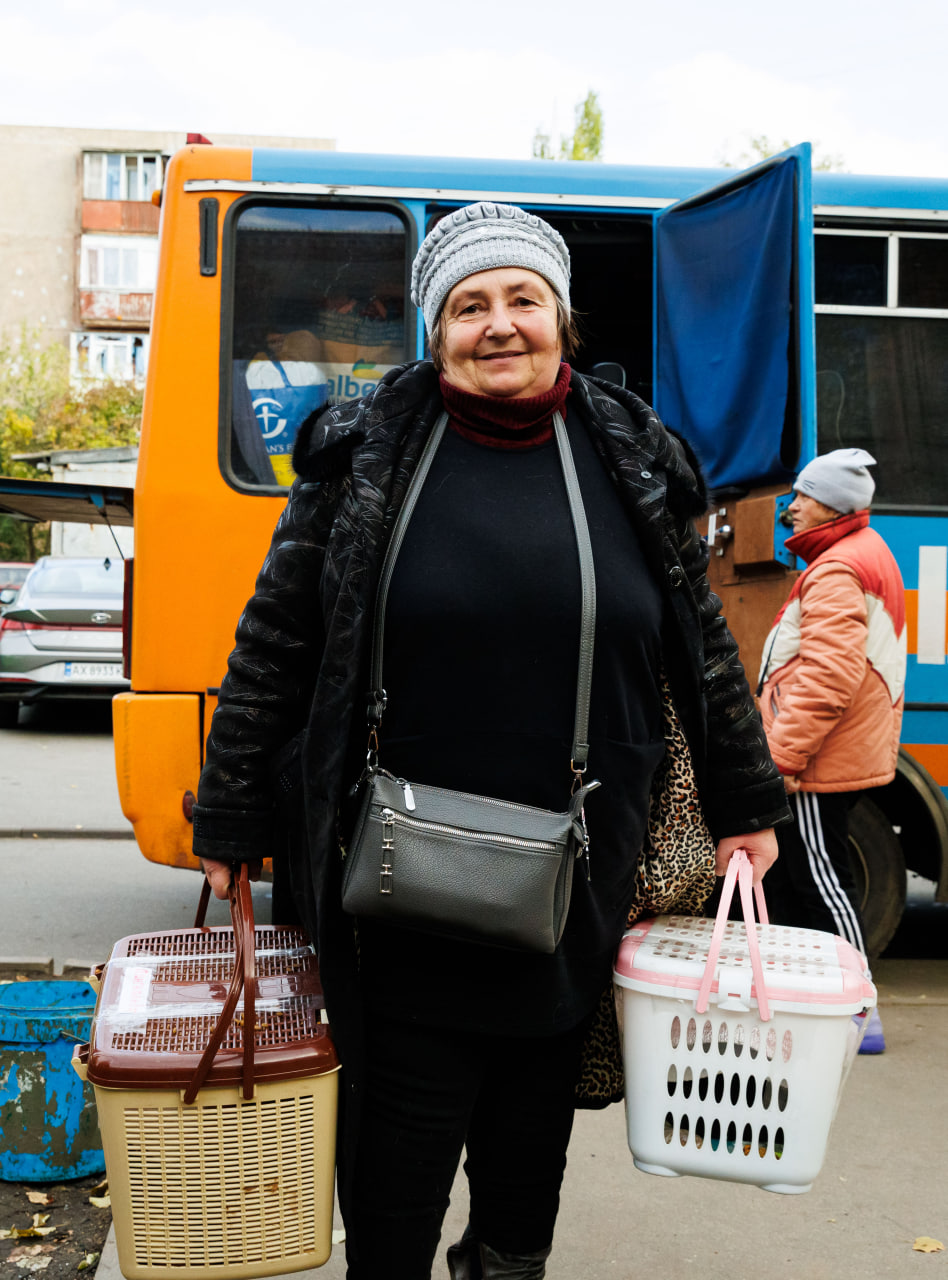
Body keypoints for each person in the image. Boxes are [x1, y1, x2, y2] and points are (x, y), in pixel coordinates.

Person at [193, 201, 788, 1280]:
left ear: (563, 316)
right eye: (470, 304)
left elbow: (700, 646)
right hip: (397, 903)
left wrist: (749, 804)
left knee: (523, 1191)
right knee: (392, 1197)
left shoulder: (627, 457)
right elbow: (277, 642)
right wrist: (230, 809)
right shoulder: (367, 457)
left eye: (523, 298)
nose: (498, 323)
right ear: (436, 329)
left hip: (572, 892)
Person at [757, 448, 906, 1054]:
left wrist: (783, 756)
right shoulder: (853, 556)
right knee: (802, 878)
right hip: (829, 753)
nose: (790, 509)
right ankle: (818, 1000)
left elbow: (827, 677)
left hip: (820, 760)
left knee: (822, 880)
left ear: (832, 505)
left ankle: (860, 1011)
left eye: (801, 497)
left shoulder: (839, 567)